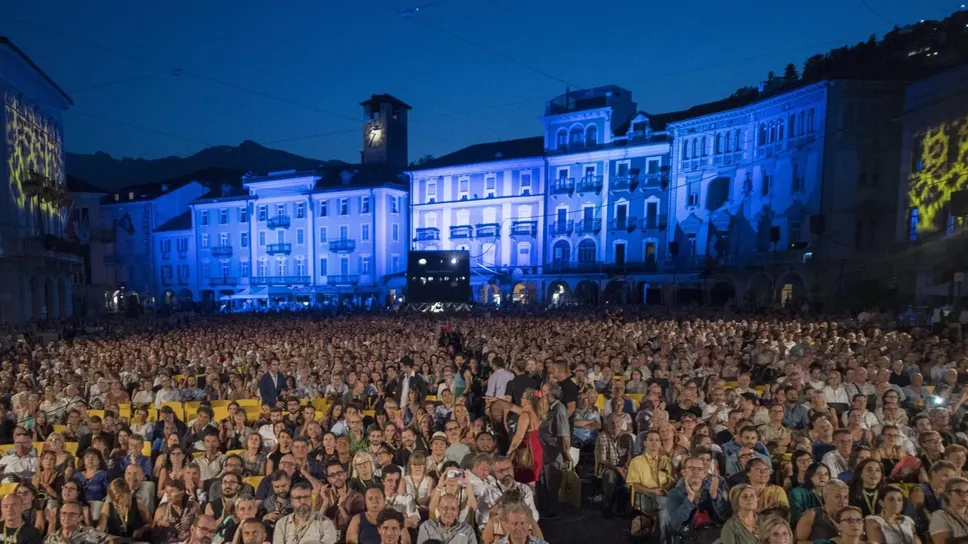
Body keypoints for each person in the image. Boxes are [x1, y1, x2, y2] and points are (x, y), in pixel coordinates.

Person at [273, 481, 338, 544]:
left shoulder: (325, 523)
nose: (303, 501)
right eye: (298, 498)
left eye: (306, 497)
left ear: (311, 499)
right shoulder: (281, 524)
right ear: (292, 501)